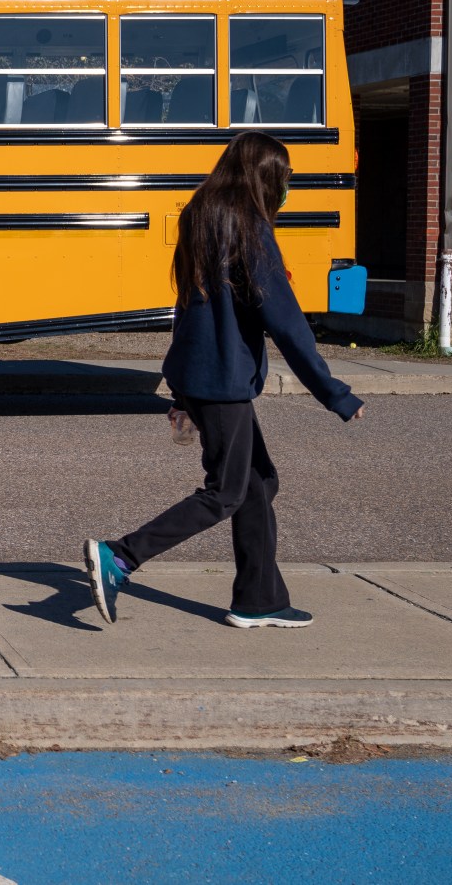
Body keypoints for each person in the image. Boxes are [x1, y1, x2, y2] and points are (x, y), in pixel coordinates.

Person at [85, 131, 362, 630]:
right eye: (285, 177)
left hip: (200, 375)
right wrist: (334, 393)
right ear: (266, 177)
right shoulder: (250, 229)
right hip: (223, 382)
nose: (286, 188)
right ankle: (120, 556)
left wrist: (179, 389)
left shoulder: (202, 216)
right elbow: (287, 322)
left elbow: (188, 310)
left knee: (258, 483)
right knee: (228, 491)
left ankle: (259, 600)